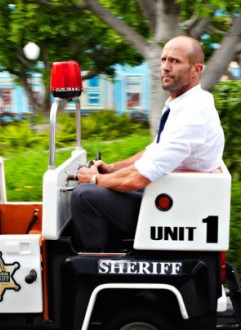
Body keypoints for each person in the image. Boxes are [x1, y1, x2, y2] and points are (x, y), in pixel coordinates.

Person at [71, 36, 225, 251]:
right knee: (98, 189)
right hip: (170, 196)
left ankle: (95, 269)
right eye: (164, 60)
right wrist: (111, 168)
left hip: (177, 212)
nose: (165, 67)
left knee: (84, 196)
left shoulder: (193, 113)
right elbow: (153, 151)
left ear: (196, 69)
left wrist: (95, 179)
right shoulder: (181, 103)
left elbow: (138, 177)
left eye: (175, 61)